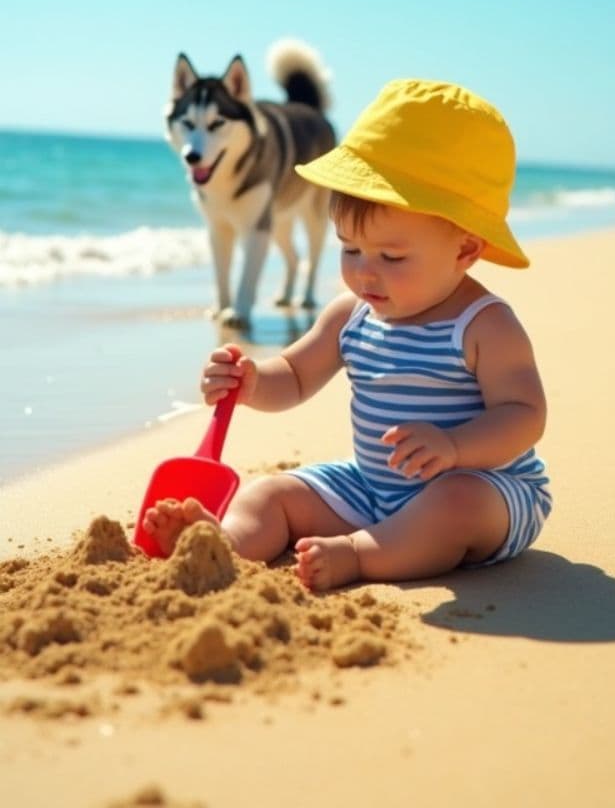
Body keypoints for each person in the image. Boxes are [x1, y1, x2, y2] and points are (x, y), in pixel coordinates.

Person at [143, 78, 552, 591]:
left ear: (466, 250)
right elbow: (293, 376)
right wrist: (250, 381)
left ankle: (361, 555)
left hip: (486, 488)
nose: (364, 273)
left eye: (392, 256)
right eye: (349, 249)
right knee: (272, 494)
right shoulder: (352, 314)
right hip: (373, 487)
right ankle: (223, 547)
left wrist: (454, 446)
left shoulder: (484, 324)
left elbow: (525, 415)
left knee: (455, 505)